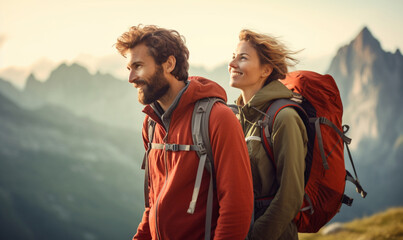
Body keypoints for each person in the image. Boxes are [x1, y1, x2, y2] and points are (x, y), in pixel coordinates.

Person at [116, 24, 254, 240]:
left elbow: (237, 206)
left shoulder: (218, 119)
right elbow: (153, 204)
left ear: (169, 64)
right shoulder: (151, 124)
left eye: (139, 66)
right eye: (129, 68)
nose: (131, 77)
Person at [228, 29, 307, 240]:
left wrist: (256, 235)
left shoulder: (284, 118)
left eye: (242, 58)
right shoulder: (236, 117)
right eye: (233, 56)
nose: (232, 64)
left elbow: (290, 197)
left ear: (265, 70)